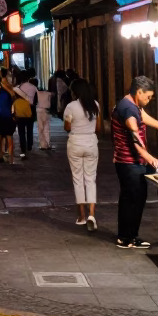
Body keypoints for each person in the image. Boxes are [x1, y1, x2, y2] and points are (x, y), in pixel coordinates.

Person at [112, 75, 158, 249]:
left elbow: (143, 116)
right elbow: (134, 139)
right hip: (129, 162)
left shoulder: (130, 104)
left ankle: (130, 235)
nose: (150, 99)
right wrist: (150, 158)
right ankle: (125, 238)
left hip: (131, 162)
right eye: (148, 96)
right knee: (132, 199)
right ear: (139, 92)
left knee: (137, 197)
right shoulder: (129, 110)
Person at [64, 77, 101, 230]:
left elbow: (67, 127)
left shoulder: (71, 106)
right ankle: (92, 214)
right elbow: (98, 128)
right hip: (91, 142)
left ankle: (81, 216)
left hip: (75, 143)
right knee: (90, 179)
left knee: (78, 179)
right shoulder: (95, 105)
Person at [0, 67, 18, 165]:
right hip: (8, 114)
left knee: (0, 137)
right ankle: (11, 159)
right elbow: (13, 97)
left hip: (0, 115)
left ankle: (1, 155)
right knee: (9, 137)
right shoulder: (10, 86)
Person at [14, 75, 37, 159]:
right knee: (30, 129)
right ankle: (29, 145)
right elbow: (36, 101)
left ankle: (23, 147)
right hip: (30, 109)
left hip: (20, 108)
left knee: (21, 131)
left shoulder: (18, 88)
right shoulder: (34, 87)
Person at [35, 78, 53, 150]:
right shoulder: (48, 93)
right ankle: (47, 144)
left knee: (40, 128)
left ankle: (42, 145)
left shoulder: (37, 93)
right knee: (46, 128)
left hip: (39, 110)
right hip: (46, 110)